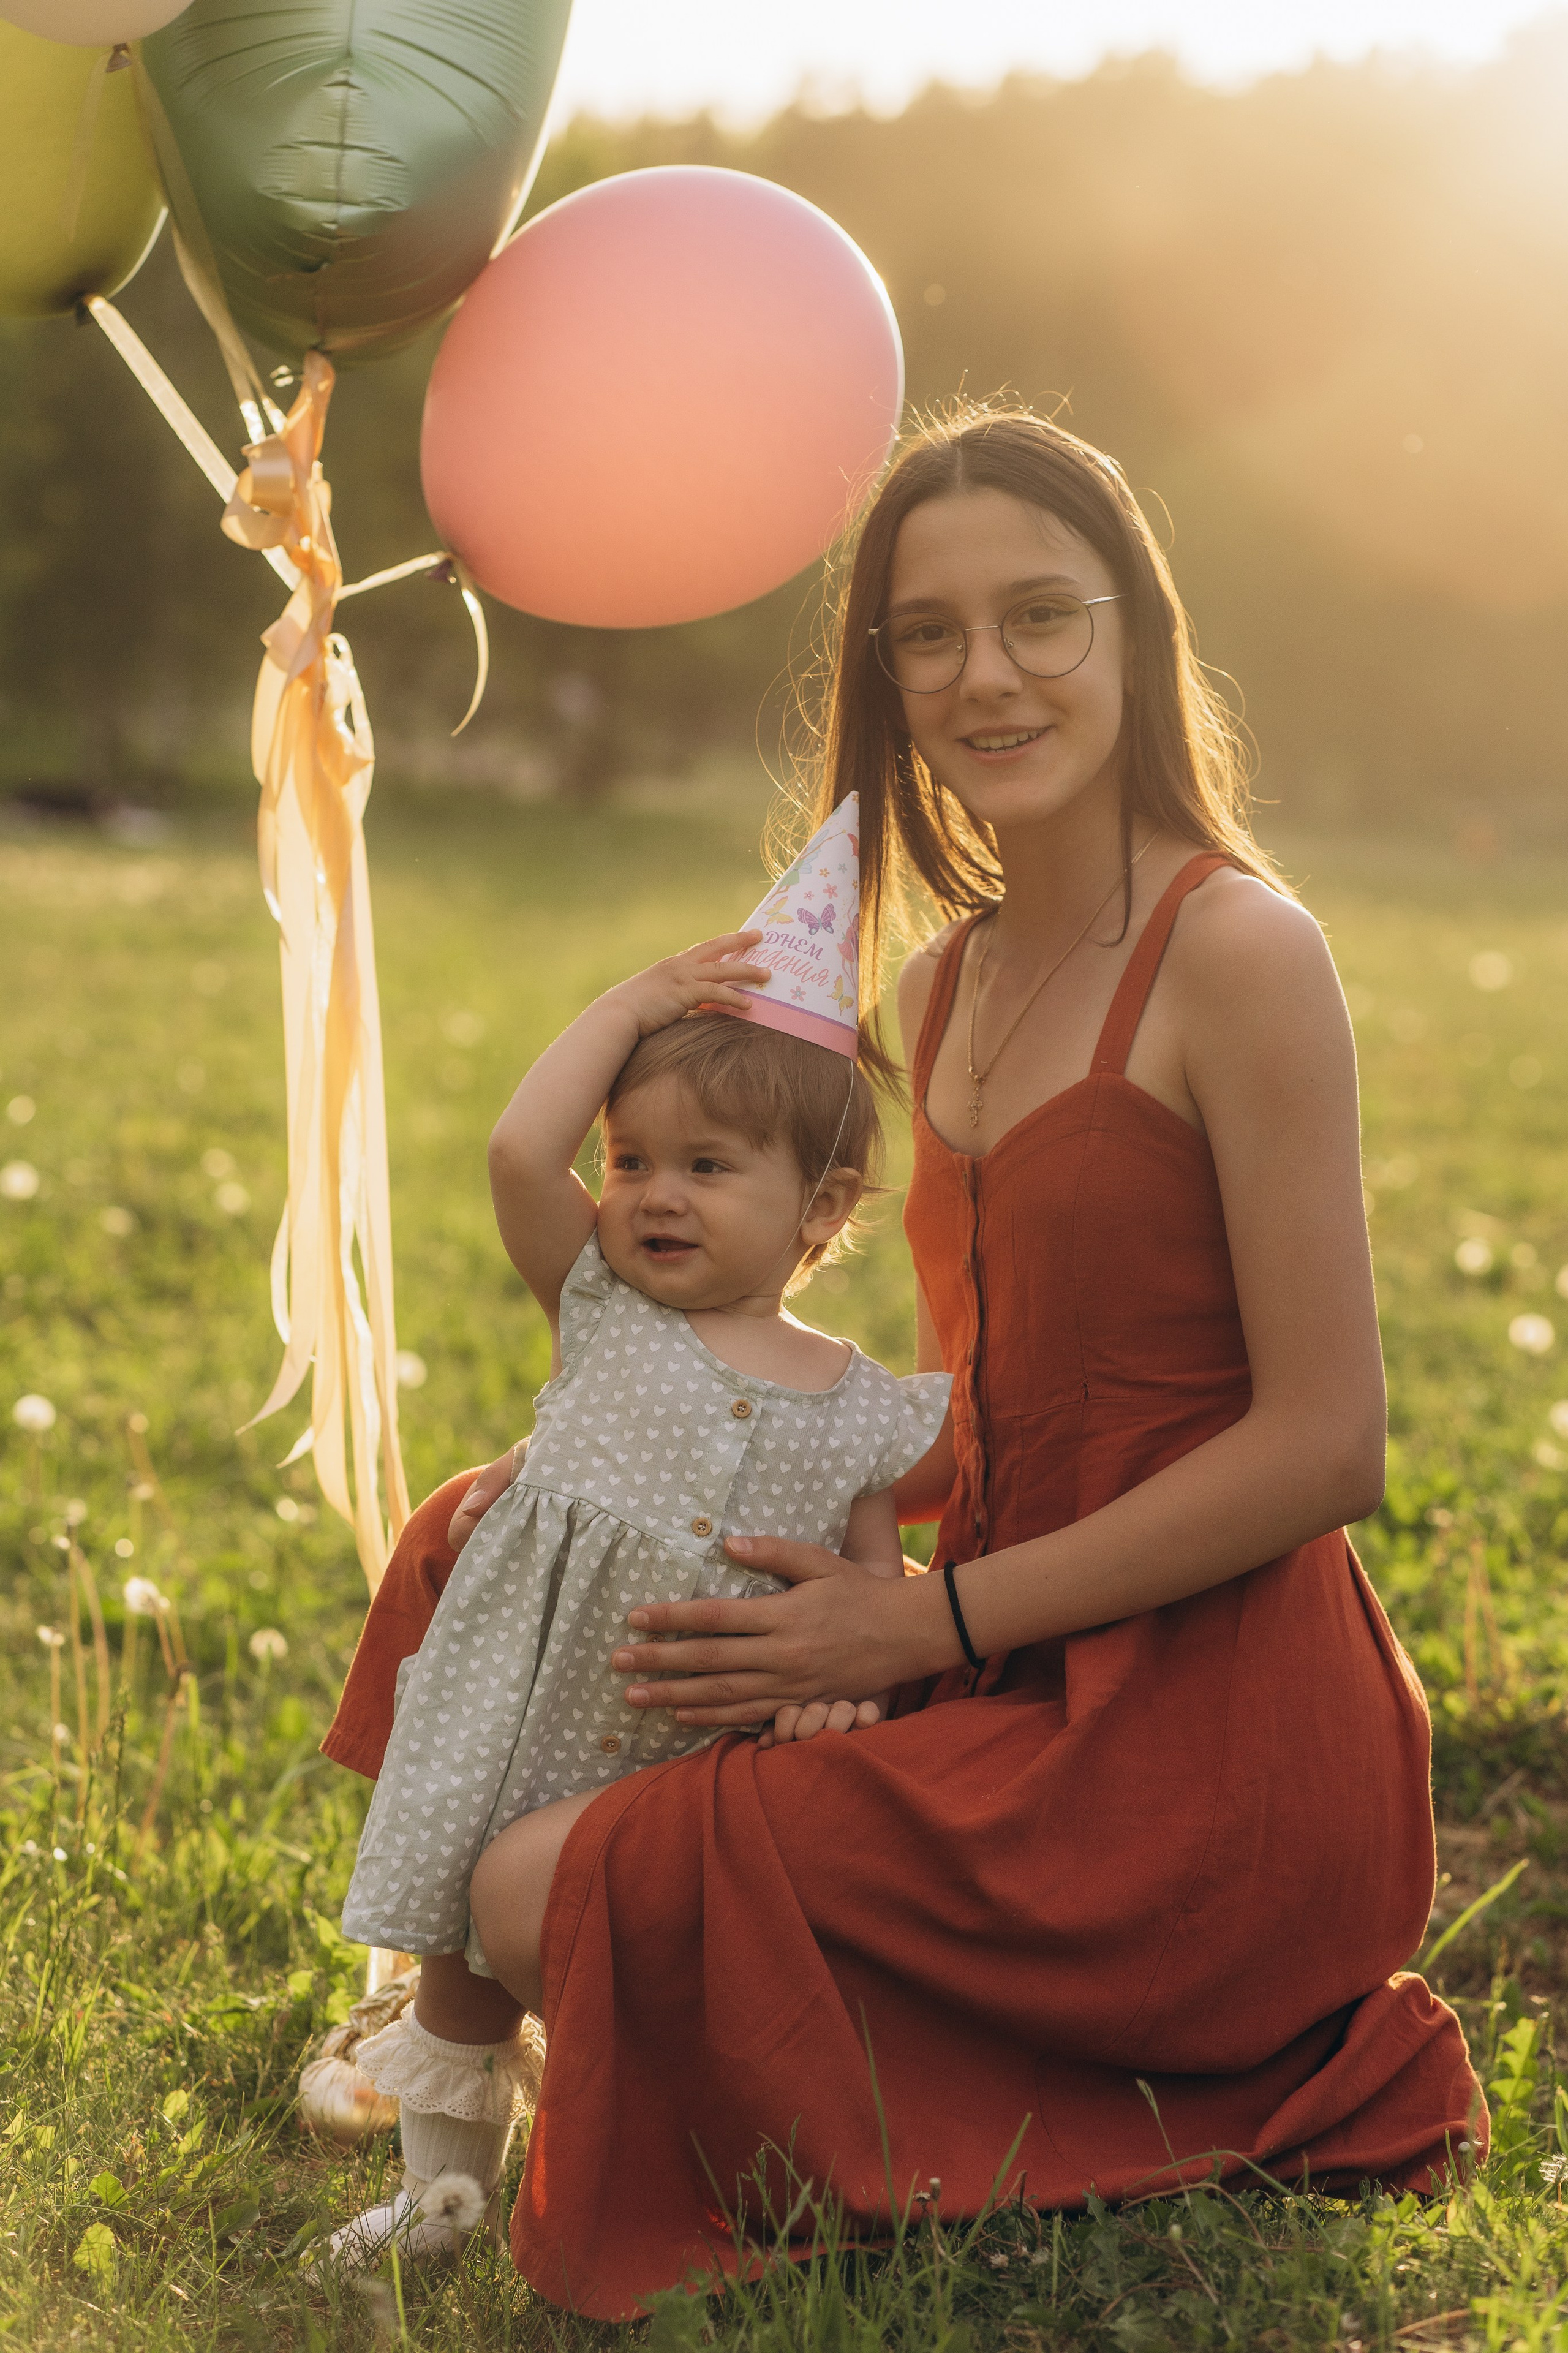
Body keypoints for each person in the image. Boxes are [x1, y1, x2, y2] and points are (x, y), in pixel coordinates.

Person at [323, 406, 1484, 2319]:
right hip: (1000, 1648)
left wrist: (917, 1633)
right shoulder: (935, 986)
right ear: (884, 676)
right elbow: (995, 1412)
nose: (985, 674)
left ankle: (591, 2004)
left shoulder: (1241, 953)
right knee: (496, 1526)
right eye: (926, 634)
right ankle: (479, 2022)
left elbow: (1327, 1442)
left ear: (1135, 628)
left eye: (1040, 614)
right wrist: (739, 1502)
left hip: (1207, 1744)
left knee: (542, 1889)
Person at [325, 897, 950, 2268]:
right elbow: (511, 1150)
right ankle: (443, 2198)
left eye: (708, 1166)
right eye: (630, 1158)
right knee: (462, 1968)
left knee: (617, 1949)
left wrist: (853, 1686)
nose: (655, 1192)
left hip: (695, 1755)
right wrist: (630, 1003)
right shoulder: (599, 1304)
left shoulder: (860, 1408)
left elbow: (869, 1589)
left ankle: (638, 2148)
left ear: (822, 1206)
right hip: (520, 1705)